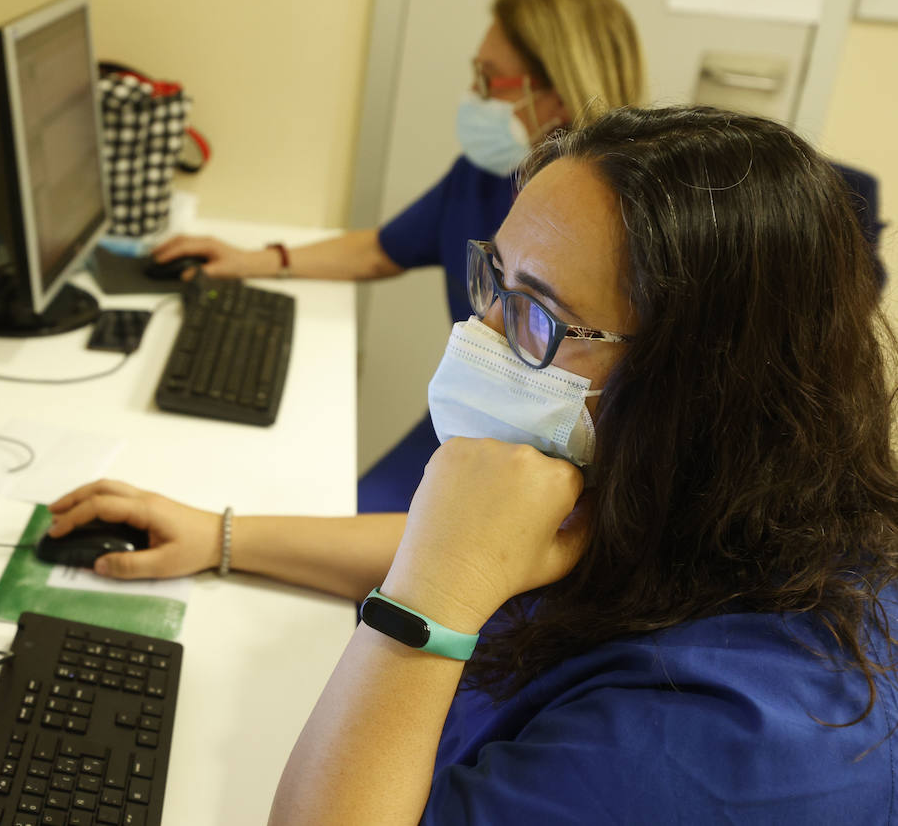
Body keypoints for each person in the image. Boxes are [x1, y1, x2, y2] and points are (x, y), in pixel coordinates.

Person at [50, 106, 898, 820]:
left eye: (539, 313)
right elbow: (488, 549)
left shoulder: (717, 742)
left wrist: (425, 607)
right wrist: (222, 535)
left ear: (700, 382)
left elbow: (455, 572)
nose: (480, 335)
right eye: (494, 279)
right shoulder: (718, 494)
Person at [152, 0, 646, 513]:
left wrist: (221, 538)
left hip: (552, 466)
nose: (475, 95)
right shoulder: (486, 173)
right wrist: (258, 260)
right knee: (351, 511)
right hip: (471, 419)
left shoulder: (627, 226)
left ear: (555, 93)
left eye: (490, 79)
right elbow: (384, 248)